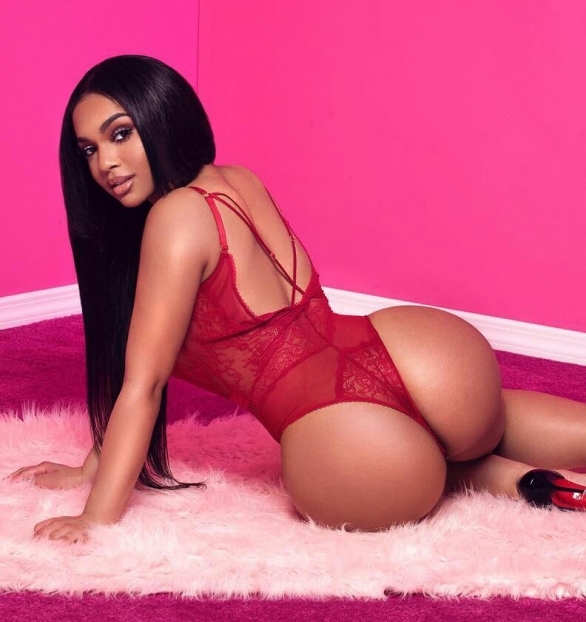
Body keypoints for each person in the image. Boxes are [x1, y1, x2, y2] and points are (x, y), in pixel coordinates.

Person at [10, 55, 586, 543]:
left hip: (343, 429)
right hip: (425, 356)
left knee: (414, 467)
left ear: (162, 116)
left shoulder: (175, 219)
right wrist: (93, 462)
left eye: (120, 134)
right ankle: (526, 480)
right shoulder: (236, 178)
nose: (105, 164)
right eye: (87, 149)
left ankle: (485, 476)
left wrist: (95, 516)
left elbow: (144, 384)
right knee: (479, 425)